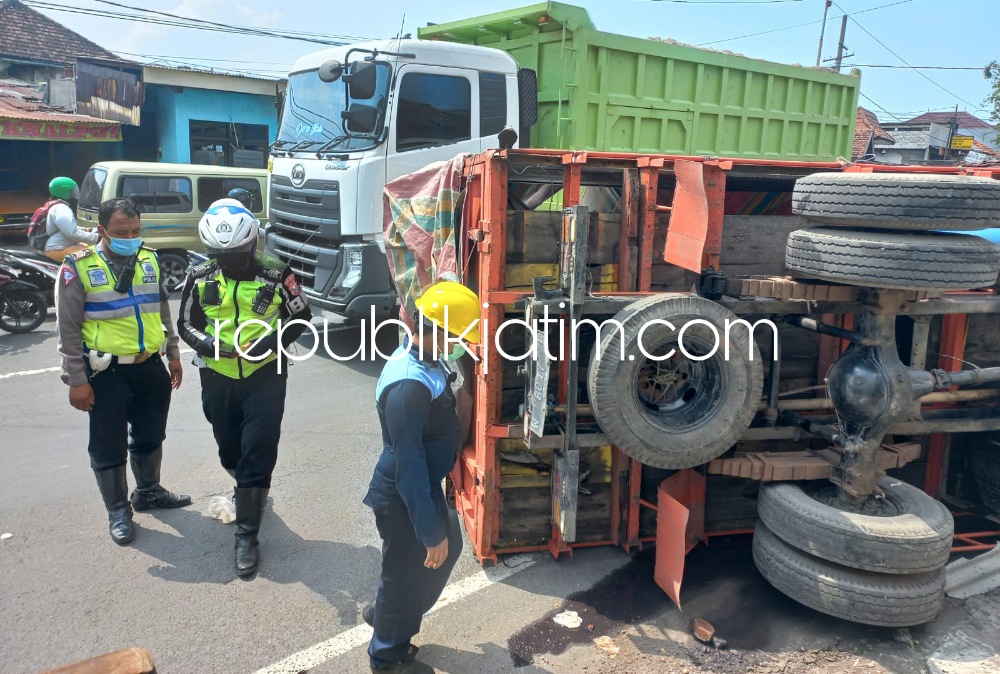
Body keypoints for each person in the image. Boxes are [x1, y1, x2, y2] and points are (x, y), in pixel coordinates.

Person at [176, 198, 312, 577]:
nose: (229, 261)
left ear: (251, 244)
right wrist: (211, 345)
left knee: (258, 449)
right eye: (220, 254)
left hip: (266, 376)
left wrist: (269, 344)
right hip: (217, 376)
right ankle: (248, 486)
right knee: (229, 449)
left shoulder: (277, 272)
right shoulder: (200, 274)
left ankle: (247, 535)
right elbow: (185, 323)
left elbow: (302, 316)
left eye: (236, 253)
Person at [54, 197, 191, 546]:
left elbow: (161, 311)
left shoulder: (149, 260)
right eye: (120, 232)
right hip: (106, 373)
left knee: (150, 435)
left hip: (150, 367)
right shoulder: (77, 266)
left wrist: (173, 354)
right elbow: (67, 329)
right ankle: (118, 510)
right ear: (101, 231)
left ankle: (147, 492)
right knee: (108, 445)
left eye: (135, 230)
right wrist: (76, 380)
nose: (129, 237)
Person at [363, 280, 481, 674]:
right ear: (439, 331)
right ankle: (386, 655)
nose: (462, 344)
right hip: (403, 494)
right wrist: (429, 531)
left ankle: (389, 618)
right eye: (459, 337)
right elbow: (407, 464)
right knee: (405, 574)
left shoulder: (427, 357)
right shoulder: (408, 388)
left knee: (436, 555)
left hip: (419, 487)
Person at [43, 177, 101, 263]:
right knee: (94, 255)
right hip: (59, 250)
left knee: (88, 247)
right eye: (72, 190)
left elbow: (67, 227)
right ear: (64, 192)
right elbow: (72, 233)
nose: (75, 193)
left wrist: (84, 230)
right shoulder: (62, 209)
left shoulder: (56, 206)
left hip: (63, 245)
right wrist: (98, 237)